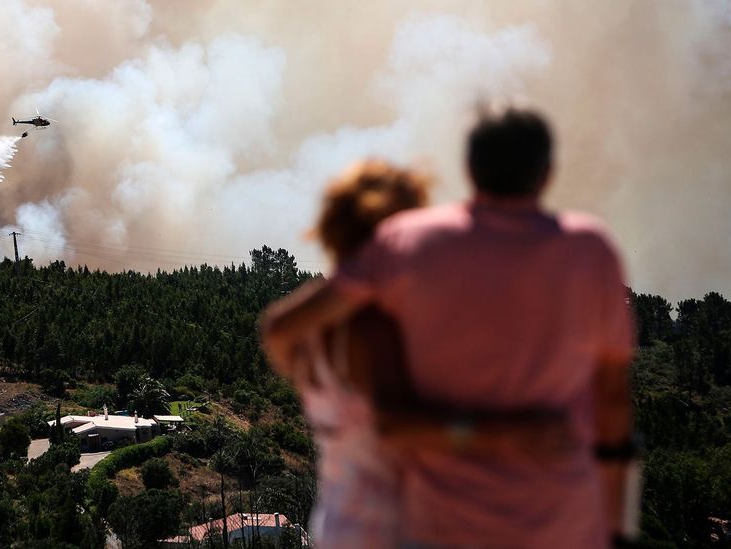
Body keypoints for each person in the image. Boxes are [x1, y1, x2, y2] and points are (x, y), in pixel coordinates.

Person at [262, 107, 635, 548]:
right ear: (548, 173)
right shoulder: (592, 249)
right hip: (437, 527)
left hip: (369, 525)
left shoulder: (327, 328)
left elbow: (277, 329)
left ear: (470, 168)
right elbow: (395, 425)